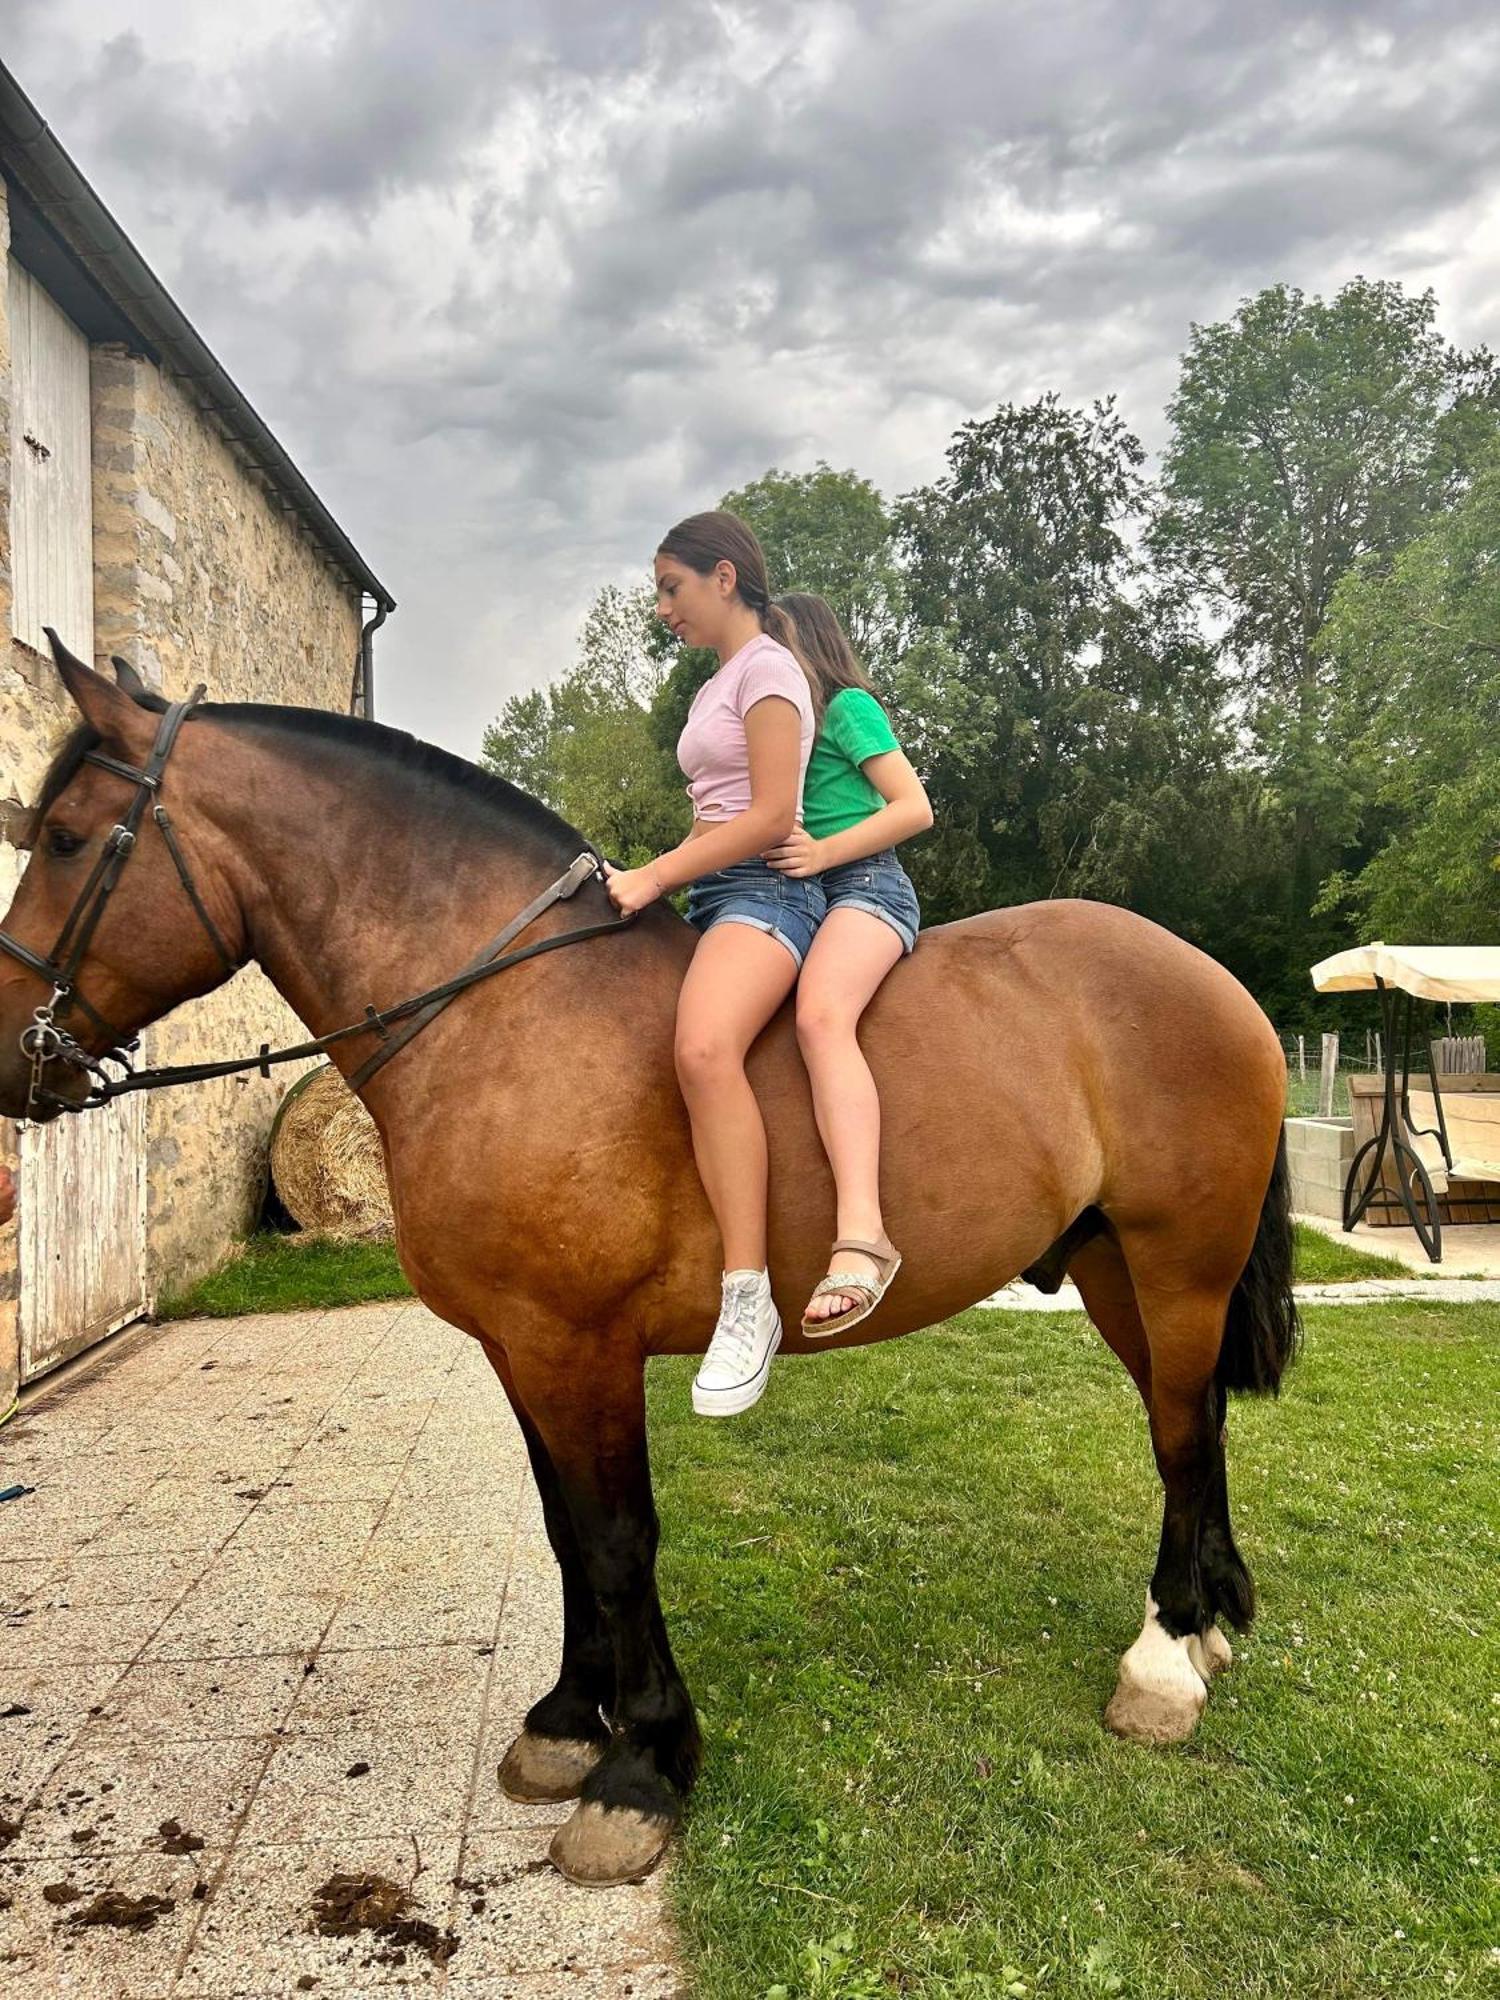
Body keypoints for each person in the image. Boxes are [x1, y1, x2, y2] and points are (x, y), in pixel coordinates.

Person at [602, 513, 821, 1416]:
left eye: (671, 588)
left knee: (702, 1050)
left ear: (723, 577)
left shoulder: (770, 671)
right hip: (713, 894)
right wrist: (644, 877)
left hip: (770, 894)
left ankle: (747, 1299)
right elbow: (710, 815)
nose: (662, 609)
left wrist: (656, 876)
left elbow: (771, 815)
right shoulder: (715, 688)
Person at [762, 592, 931, 1335]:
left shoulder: (846, 706)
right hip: (794, 895)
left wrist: (825, 851)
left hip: (866, 885)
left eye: (774, 644)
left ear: (807, 646)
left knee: (822, 1016)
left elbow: (914, 806)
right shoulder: (778, 731)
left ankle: (864, 1235)